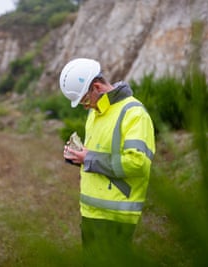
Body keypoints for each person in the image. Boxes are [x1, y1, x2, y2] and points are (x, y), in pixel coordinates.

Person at [59, 58, 156, 266]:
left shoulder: (134, 113)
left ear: (97, 87)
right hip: (91, 212)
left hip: (116, 216)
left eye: (85, 101)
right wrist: (80, 159)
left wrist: (90, 158)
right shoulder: (96, 114)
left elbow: (138, 163)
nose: (86, 107)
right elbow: (99, 156)